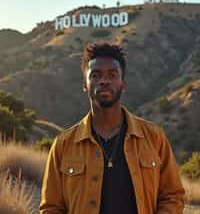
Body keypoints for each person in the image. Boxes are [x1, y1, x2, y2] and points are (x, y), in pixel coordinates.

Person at [40, 42, 185, 214]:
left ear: (123, 83)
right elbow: (51, 207)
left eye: (112, 74)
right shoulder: (63, 145)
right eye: (95, 75)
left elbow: (172, 196)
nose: (104, 81)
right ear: (85, 84)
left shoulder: (154, 138)